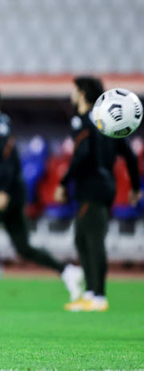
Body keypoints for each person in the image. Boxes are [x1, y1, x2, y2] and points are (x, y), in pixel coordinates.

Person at [0, 83, 84, 302]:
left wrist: (4, 191)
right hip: (8, 192)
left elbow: (11, 160)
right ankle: (67, 271)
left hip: (6, 192)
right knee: (23, 247)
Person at [55, 76, 141, 312]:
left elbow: (81, 155)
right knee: (84, 239)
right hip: (103, 186)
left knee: (92, 242)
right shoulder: (108, 121)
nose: (71, 93)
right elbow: (130, 156)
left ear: (82, 93)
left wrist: (63, 182)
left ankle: (99, 296)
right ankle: (92, 293)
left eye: (74, 89)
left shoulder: (84, 121)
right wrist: (135, 187)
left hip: (91, 187)